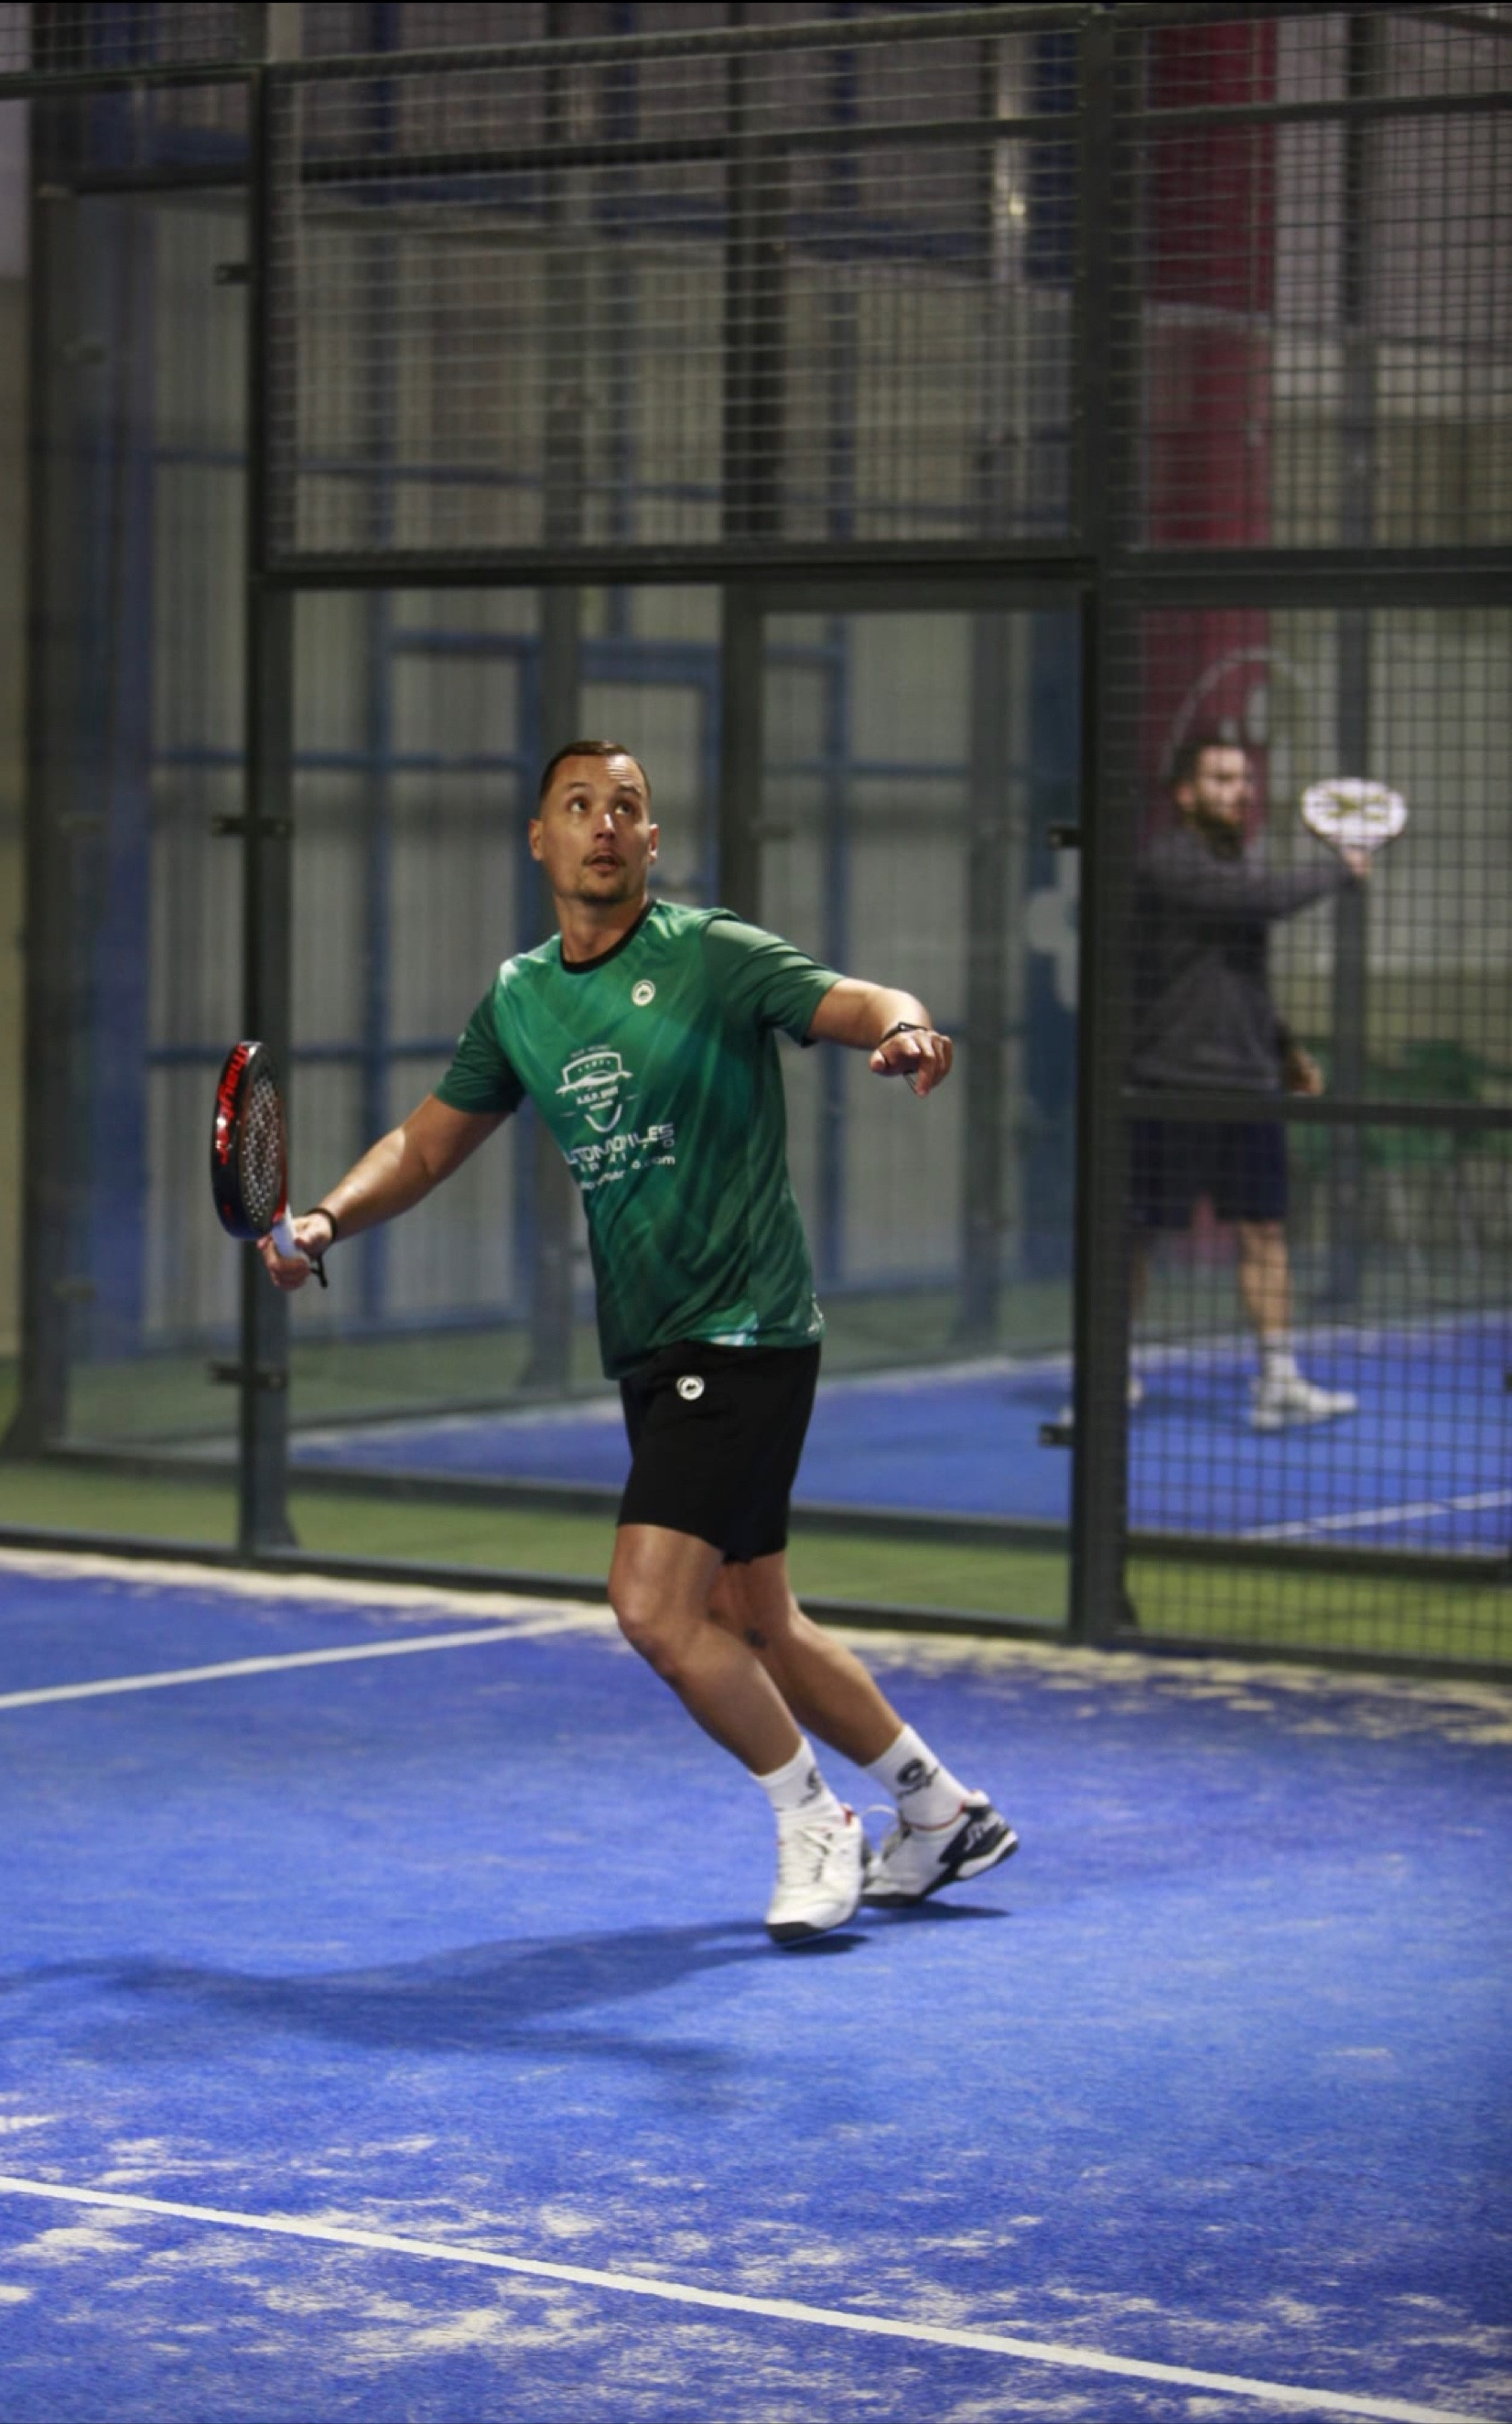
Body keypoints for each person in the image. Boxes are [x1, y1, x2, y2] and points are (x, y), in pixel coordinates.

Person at [261, 741, 1016, 1945]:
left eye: (627, 807)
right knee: (755, 1616)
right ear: (541, 839)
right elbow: (426, 1143)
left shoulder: (711, 953)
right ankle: (940, 1810)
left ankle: (813, 1816)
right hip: (656, 1344)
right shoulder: (521, 998)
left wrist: (909, 1028)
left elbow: (859, 1000)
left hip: (747, 1327)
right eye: (579, 806)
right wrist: (323, 1218)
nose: (604, 823)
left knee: (653, 1608)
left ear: (652, 841)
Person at [1129, 732, 1369, 1431]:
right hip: (1171, 1081)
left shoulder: (1242, 862)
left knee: (1264, 1229)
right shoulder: (1171, 862)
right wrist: (1340, 869)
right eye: (1222, 779)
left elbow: (1245, 978)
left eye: (1244, 779)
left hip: (1247, 1082)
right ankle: (1111, 1373)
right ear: (1186, 793)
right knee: (1137, 1234)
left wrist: (1284, 1048)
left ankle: (1278, 1380)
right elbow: (1256, 901)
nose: (1240, 791)